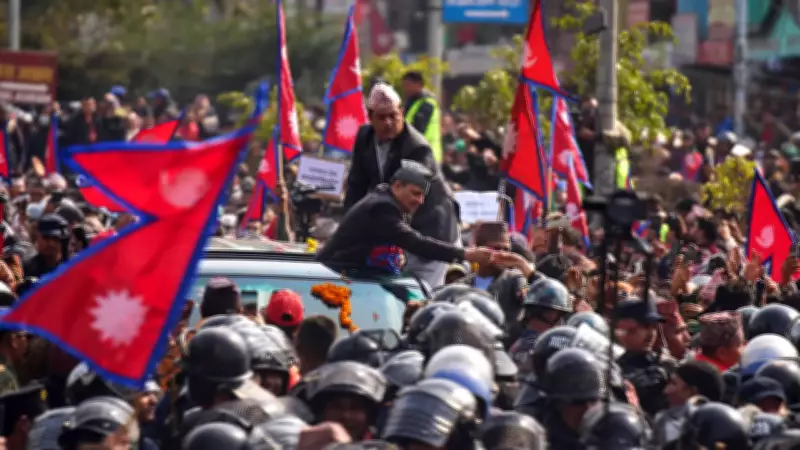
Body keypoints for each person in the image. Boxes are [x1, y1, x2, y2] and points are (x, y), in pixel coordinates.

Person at [344, 83, 459, 287]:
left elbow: (407, 200)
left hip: (430, 230)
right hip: (396, 231)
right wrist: (347, 227)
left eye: (393, 116)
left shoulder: (417, 148)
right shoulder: (364, 137)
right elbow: (356, 186)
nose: (388, 122)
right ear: (370, 116)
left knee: (419, 297)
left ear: (402, 113)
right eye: (381, 117)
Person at [318, 159, 493, 273]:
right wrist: (467, 254)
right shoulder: (382, 207)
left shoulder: (386, 200)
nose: (420, 201)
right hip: (335, 273)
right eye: (415, 193)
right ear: (397, 186)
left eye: (423, 195)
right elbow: (416, 242)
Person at [401, 71, 442, 163]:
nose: (405, 88)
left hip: (427, 155)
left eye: (407, 85)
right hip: (417, 153)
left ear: (418, 84)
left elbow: (418, 128)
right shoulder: (413, 102)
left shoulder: (427, 102)